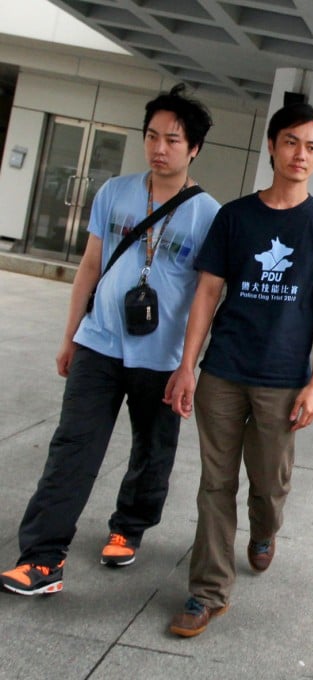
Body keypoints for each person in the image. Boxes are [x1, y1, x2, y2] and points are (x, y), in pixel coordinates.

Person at [0, 85, 219, 596]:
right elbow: (90, 267)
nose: (158, 148)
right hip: (99, 343)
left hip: (161, 356)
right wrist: (70, 335)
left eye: (171, 139)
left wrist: (189, 365)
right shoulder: (114, 192)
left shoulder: (209, 215)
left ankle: (129, 526)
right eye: (151, 136)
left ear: (194, 149)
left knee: (152, 447)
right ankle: (42, 558)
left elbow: (208, 295)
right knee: (72, 446)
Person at [164, 101, 313, 637]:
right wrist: (187, 366)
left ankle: (265, 531)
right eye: (291, 141)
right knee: (214, 485)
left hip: (284, 380)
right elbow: (207, 291)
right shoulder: (236, 217)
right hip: (224, 370)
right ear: (271, 146)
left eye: (312, 147)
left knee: (268, 486)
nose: (301, 154)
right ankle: (208, 592)